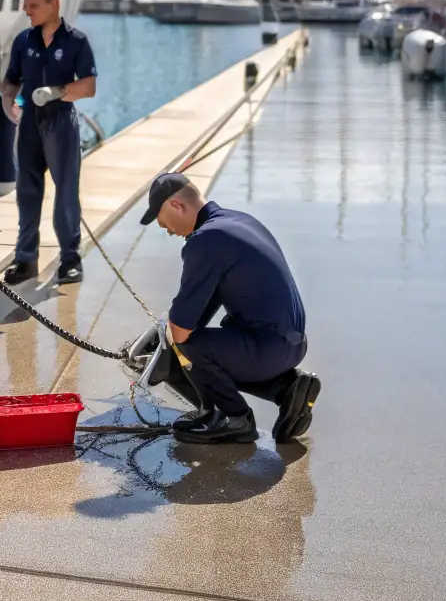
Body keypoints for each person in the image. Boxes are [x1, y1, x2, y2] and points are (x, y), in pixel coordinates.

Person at [135, 172, 320, 445]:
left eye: (164, 224)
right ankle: (286, 388)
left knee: (185, 350)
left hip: (266, 350)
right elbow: (200, 311)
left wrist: (166, 346)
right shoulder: (237, 221)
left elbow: (182, 330)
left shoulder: (206, 240)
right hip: (289, 345)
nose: (169, 231)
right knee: (194, 346)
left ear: (176, 205)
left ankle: (232, 418)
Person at [1, 0, 97, 285]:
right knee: (27, 193)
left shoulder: (76, 41)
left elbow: (89, 86)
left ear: (53, 4)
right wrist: (8, 103)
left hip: (61, 122)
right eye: (26, 5)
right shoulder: (22, 41)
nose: (26, 11)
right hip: (29, 122)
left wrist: (57, 91)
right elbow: (11, 81)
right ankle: (26, 259)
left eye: (33, 6)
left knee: (66, 192)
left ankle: (71, 259)